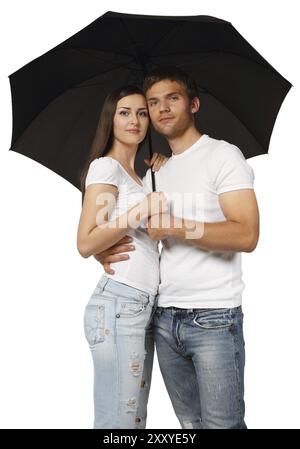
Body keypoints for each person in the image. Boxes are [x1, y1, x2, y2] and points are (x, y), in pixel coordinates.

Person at [94, 67, 260, 429]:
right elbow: (120, 231)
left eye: (173, 98)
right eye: (152, 102)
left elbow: (247, 234)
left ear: (194, 103)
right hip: (164, 318)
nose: (162, 108)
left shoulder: (223, 155)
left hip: (214, 318)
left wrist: (179, 228)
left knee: (223, 426)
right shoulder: (156, 173)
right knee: (190, 425)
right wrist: (100, 250)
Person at [77, 85, 169, 429]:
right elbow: (85, 242)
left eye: (142, 113)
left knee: (133, 421)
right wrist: (142, 207)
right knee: (118, 423)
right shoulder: (105, 167)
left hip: (141, 305)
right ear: (110, 120)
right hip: (119, 304)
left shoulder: (139, 174)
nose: (135, 120)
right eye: (125, 112)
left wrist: (159, 173)